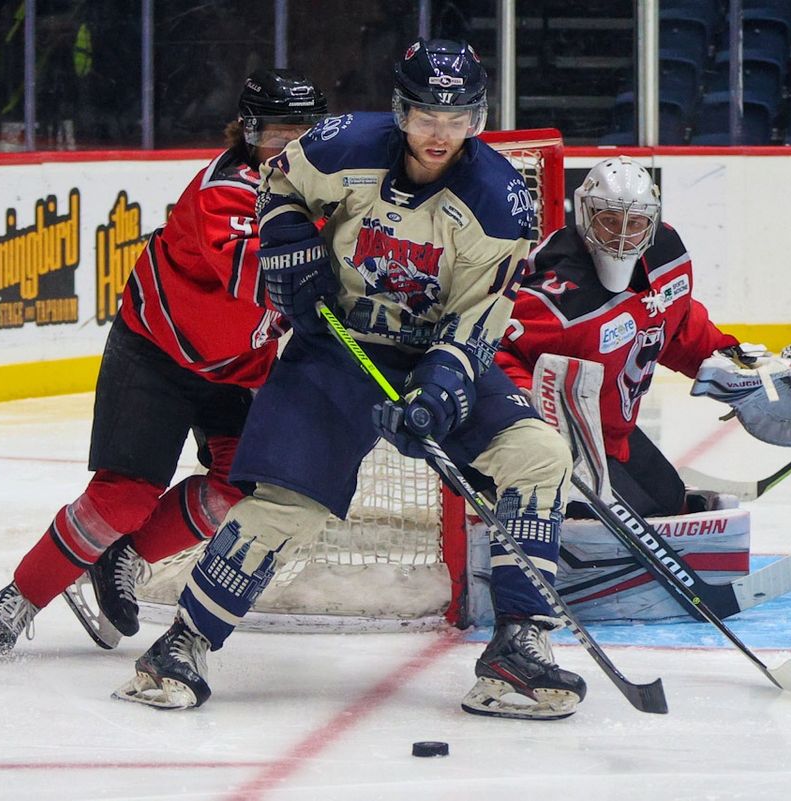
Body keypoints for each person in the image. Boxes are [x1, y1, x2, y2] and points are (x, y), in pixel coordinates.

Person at [113, 38, 584, 721]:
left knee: (538, 454)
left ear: (478, 118)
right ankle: (181, 646)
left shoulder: (501, 200)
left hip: (431, 356)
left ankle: (519, 645)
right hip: (337, 349)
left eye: (456, 119)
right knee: (289, 506)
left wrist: (441, 391)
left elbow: (480, 320)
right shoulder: (341, 144)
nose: (439, 134)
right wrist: (288, 245)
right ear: (401, 109)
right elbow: (277, 183)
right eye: (425, 115)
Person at [0, 68, 329, 660]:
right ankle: (16, 599)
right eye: (278, 133)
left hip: (234, 369)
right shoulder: (226, 189)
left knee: (241, 489)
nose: (290, 146)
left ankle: (125, 556)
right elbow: (259, 275)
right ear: (250, 131)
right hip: (156, 352)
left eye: (303, 133)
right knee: (122, 498)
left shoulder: (325, 191)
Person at [496, 156, 791, 518]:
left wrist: (727, 358)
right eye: (609, 221)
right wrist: (535, 421)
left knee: (671, 503)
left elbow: (677, 324)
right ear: (586, 217)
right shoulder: (556, 293)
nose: (622, 235)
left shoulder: (665, 251)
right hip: (565, 445)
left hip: (614, 433)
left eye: (634, 223)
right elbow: (494, 347)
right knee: (626, 527)